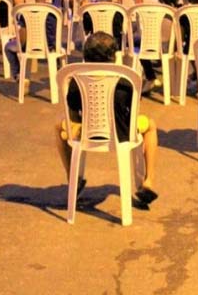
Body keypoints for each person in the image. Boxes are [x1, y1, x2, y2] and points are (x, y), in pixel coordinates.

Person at [55, 32, 158, 206]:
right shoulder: (126, 80)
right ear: (113, 56)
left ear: (86, 57)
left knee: (59, 127)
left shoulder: (76, 80)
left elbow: (72, 114)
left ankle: (72, 178)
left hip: (86, 132)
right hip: (122, 133)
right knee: (151, 126)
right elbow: (133, 110)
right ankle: (148, 180)